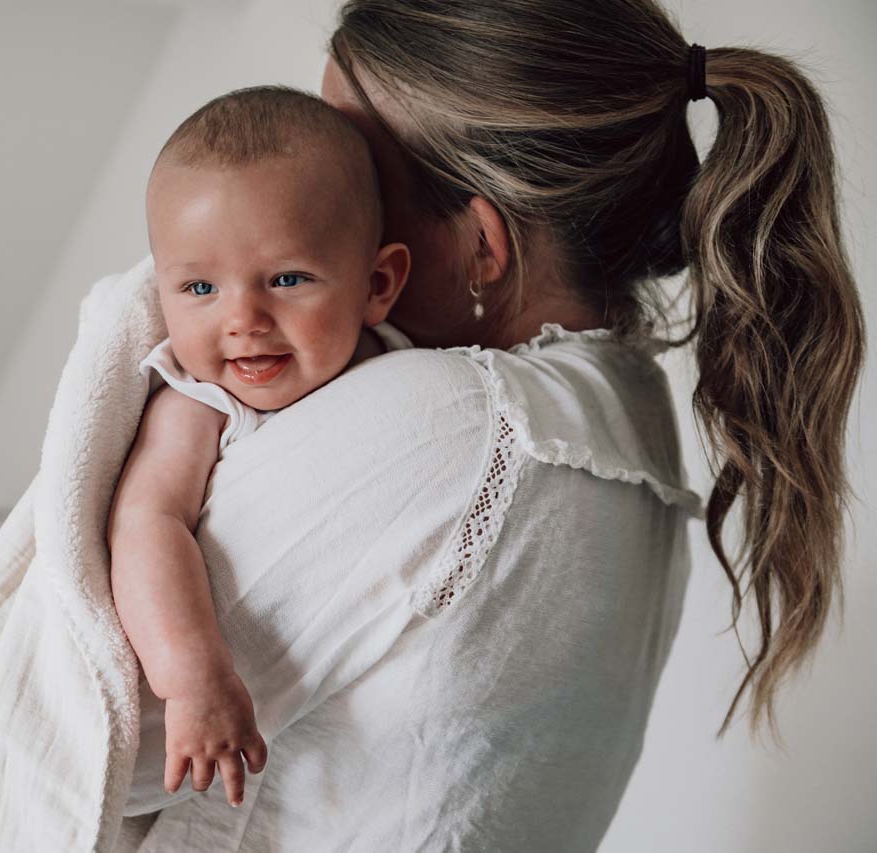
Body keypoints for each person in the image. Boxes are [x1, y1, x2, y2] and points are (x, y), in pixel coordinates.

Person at [113, 0, 864, 849]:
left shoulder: (450, 422)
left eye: (362, 175)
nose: (292, 211)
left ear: (481, 245)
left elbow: (105, 740)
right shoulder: (633, 418)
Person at [106, 86, 414, 812]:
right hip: (208, 717)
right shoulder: (200, 404)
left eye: (287, 279)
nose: (243, 318)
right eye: (200, 287)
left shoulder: (403, 374)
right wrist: (193, 677)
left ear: (377, 284)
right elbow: (146, 522)